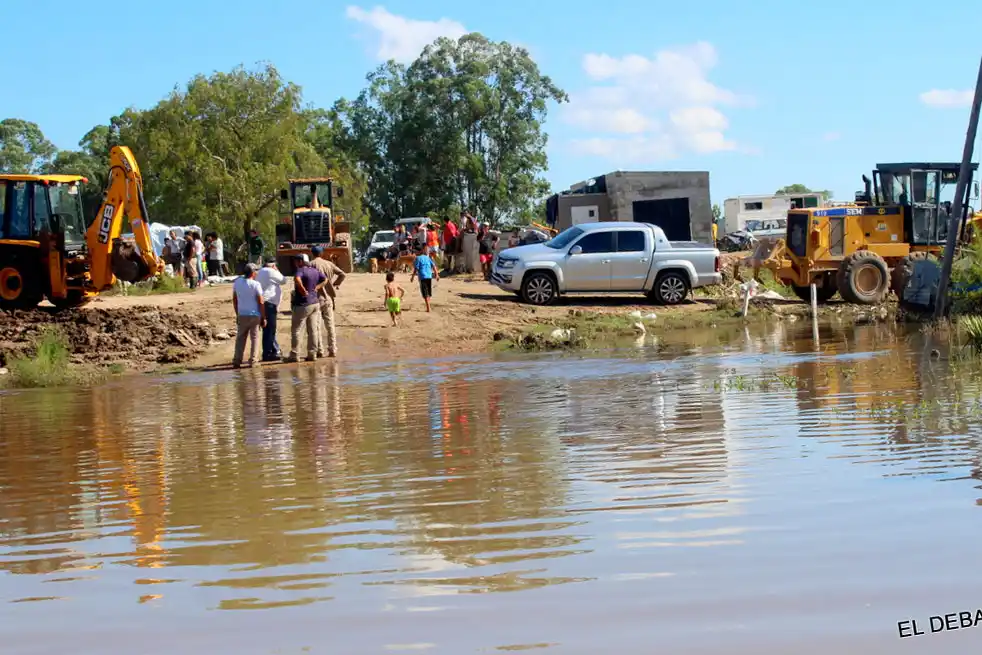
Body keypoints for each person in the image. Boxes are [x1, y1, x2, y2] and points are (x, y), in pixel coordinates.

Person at [284, 253, 327, 363]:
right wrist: (317, 287)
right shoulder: (314, 270)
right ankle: (312, 354)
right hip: (315, 303)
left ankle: (295, 355)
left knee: (297, 330)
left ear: (301, 261)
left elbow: (297, 279)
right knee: (313, 330)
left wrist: (302, 290)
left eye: (296, 261)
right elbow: (325, 279)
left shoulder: (300, 270)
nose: (295, 263)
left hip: (303, 304)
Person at [310, 245, 346, 358]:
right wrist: (335, 284)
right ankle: (332, 349)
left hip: (315, 299)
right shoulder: (329, 264)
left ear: (312, 253)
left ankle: (319, 350)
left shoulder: (310, 265)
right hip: (328, 298)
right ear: (322, 253)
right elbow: (342, 274)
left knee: (316, 326)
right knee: (330, 325)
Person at [231, 263, 267, 369]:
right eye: (256, 271)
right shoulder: (256, 284)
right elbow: (261, 301)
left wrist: (237, 313)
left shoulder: (237, 282)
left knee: (240, 338)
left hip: (242, 314)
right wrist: (263, 317)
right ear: (253, 272)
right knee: (255, 338)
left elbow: (235, 299)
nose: (257, 273)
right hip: (254, 315)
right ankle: (253, 361)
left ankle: (237, 360)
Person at [256, 257, 285, 361]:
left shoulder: (261, 271)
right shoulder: (271, 271)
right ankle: (267, 353)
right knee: (270, 329)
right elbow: (284, 280)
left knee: (268, 329)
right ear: (273, 265)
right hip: (269, 303)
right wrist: (277, 270)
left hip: (264, 303)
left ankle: (273, 350)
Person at [410, 245, 439, 313]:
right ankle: (428, 306)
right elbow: (434, 266)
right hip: (429, 276)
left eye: (415, 252)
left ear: (420, 251)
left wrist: (412, 277)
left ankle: (428, 308)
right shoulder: (428, 258)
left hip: (423, 277)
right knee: (428, 291)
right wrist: (437, 274)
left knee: (425, 292)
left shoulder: (418, 258)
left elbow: (416, 269)